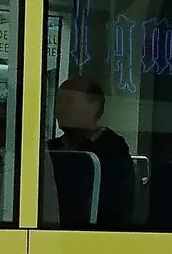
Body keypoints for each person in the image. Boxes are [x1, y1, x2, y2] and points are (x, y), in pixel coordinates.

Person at [48, 73, 139, 228]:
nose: (60, 108)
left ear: (94, 106)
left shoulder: (113, 152)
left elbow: (116, 210)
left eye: (69, 101)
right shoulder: (50, 149)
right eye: (58, 101)